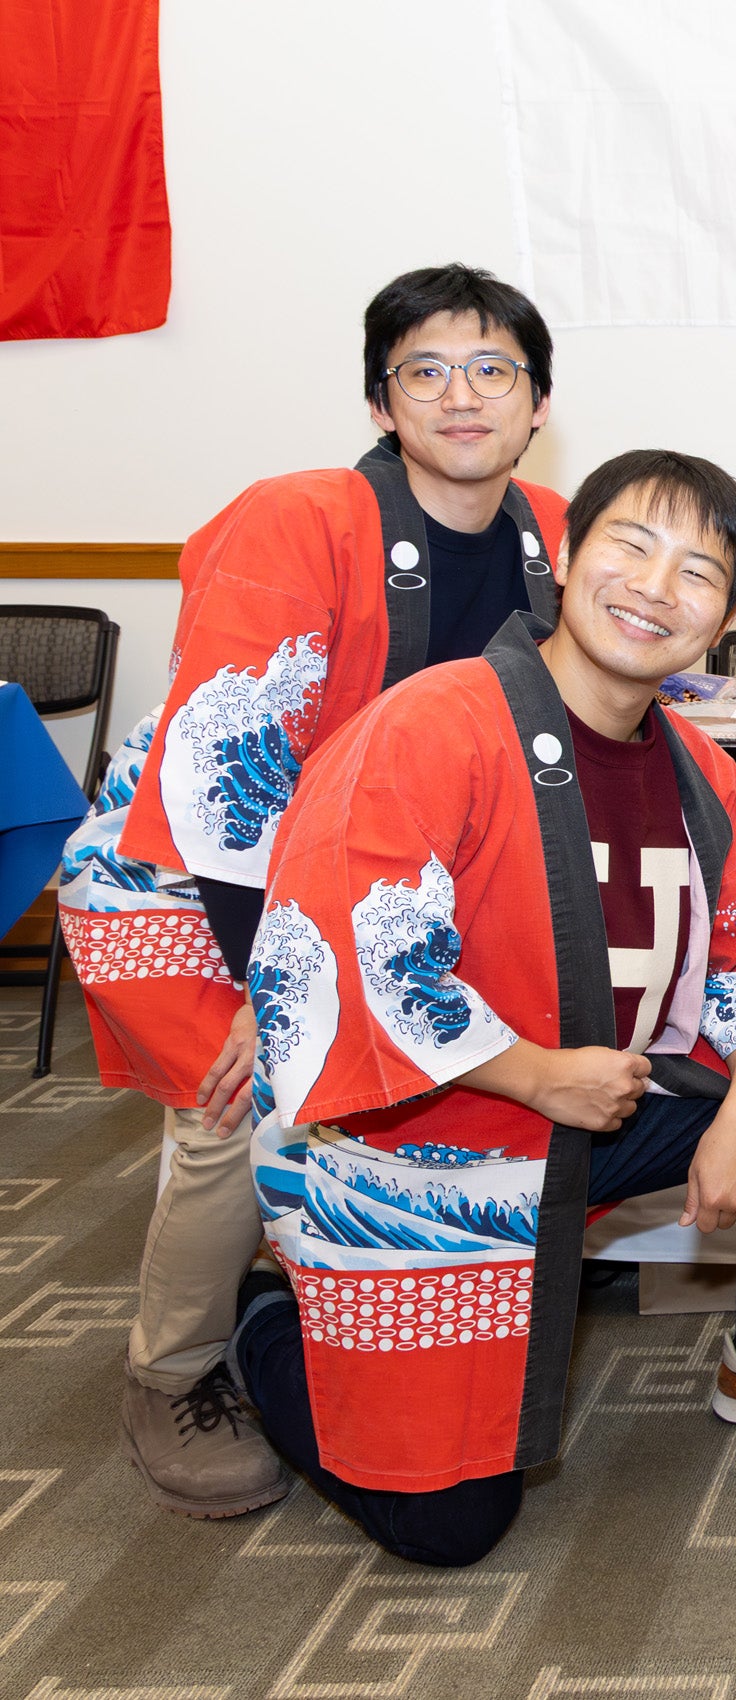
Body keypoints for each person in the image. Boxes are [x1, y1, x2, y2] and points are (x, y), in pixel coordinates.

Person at [230, 449, 736, 1567]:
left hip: (594, 1104)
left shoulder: (697, 761)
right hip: (421, 1141)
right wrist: (530, 1070)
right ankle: (273, 1319)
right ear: (563, 557)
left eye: (699, 572)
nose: (658, 586)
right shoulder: (433, 722)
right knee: (450, 1525)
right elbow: (352, 955)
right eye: (631, 544)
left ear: (726, 620)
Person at [55, 263, 573, 1519]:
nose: (463, 395)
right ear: (380, 399)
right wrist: (267, 989)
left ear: (538, 398)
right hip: (183, 872)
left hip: (374, 872)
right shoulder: (298, 519)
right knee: (240, 1104)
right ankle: (169, 1369)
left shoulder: (551, 530)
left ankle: (333, 1272)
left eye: (493, 368)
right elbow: (221, 775)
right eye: (426, 370)